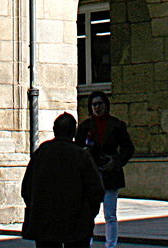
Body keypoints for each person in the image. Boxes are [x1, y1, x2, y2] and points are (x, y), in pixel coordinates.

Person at [21, 112, 104, 248]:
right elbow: (96, 191)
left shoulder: (41, 152)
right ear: (74, 132)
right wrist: (87, 215)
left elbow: (26, 189)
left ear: (54, 130)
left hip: (45, 223)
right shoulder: (81, 155)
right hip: (76, 224)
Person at [75, 91, 135, 248]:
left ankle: (111, 245)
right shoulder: (84, 127)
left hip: (110, 173)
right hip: (91, 173)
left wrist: (115, 161)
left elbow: (128, 148)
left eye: (99, 104)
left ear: (106, 105)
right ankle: (86, 243)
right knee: (88, 214)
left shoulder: (117, 125)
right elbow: (78, 149)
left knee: (110, 214)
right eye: (94, 104)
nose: (97, 107)